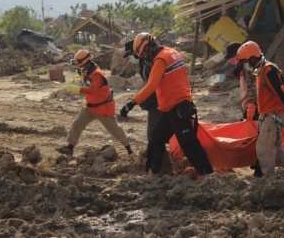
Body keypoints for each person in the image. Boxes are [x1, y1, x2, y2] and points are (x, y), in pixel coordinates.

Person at [120, 32, 213, 175]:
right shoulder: (172, 52)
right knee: (156, 139)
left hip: (177, 108)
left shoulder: (160, 60)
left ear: (149, 46)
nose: (144, 57)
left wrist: (131, 103)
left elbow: (151, 86)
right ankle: (156, 173)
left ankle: (208, 174)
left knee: (189, 145)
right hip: (172, 107)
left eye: (143, 53)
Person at [236, 41, 284, 178]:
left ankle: (269, 179)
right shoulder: (261, 70)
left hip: (274, 116)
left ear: (252, 58)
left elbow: (280, 91)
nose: (245, 65)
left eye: (245, 61)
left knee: (264, 149)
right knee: (275, 148)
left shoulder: (268, 70)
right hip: (272, 115)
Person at [56, 49, 133, 156]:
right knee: (77, 124)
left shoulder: (97, 74)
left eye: (79, 64)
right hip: (90, 106)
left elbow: (93, 90)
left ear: (86, 62)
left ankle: (129, 149)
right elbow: (88, 86)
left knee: (115, 129)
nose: (78, 66)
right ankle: (70, 147)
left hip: (103, 108)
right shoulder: (87, 71)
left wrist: (77, 89)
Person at [121, 40, 173, 174]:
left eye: (132, 54)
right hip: (153, 102)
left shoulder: (152, 61)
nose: (132, 57)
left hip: (158, 102)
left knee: (153, 137)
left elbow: (152, 86)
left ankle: (165, 170)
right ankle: (164, 169)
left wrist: (134, 102)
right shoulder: (144, 60)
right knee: (156, 137)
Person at [224, 41, 262, 177]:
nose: (232, 60)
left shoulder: (249, 68)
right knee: (253, 137)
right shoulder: (243, 68)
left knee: (256, 138)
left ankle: (259, 167)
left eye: (233, 56)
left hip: (255, 107)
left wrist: (252, 105)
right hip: (250, 106)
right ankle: (256, 163)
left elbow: (253, 87)